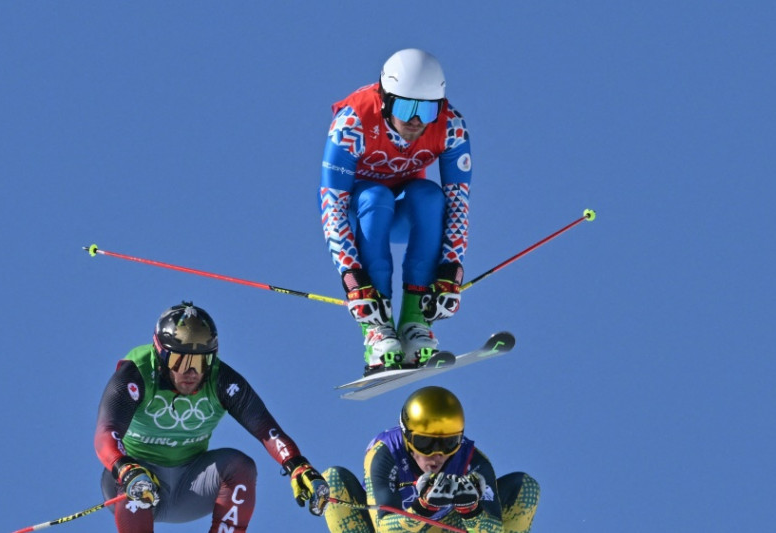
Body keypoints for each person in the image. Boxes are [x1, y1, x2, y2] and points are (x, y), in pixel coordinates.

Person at [94, 301, 329, 533]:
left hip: (191, 485)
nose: (191, 372)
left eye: (201, 361)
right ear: (161, 354)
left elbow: (266, 428)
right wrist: (126, 468)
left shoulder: (221, 380)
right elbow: (106, 433)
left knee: (240, 466)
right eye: (180, 361)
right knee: (133, 480)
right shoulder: (138, 372)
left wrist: (297, 465)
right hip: (139, 483)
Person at [318, 48, 472, 375]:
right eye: (405, 107)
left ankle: (416, 322)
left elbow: (458, 203)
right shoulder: (353, 123)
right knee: (375, 197)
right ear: (386, 100)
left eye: (427, 110)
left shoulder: (450, 127)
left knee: (429, 197)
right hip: (360, 217)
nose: (416, 121)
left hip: (404, 217)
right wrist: (353, 278)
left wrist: (451, 269)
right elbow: (333, 206)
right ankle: (378, 330)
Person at [321, 386, 540, 533]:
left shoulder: (473, 462)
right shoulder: (385, 453)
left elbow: (496, 529)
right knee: (332, 479)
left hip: (442, 527)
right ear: (407, 437)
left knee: (525, 487)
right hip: (396, 527)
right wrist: (424, 507)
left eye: (449, 443)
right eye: (425, 443)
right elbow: (384, 527)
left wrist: (472, 510)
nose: (438, 455)